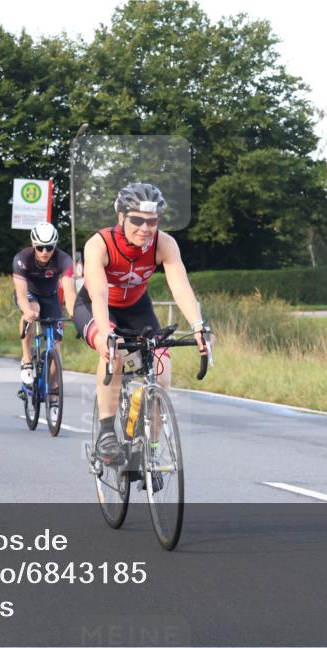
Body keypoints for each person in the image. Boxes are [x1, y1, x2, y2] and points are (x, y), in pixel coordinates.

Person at [72, 183, 210, 465]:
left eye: (152, 221)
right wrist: (106, 335)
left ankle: (148, 448)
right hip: (97, 307)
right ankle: (107, 433)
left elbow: (180, 286)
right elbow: (97, 293)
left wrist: (198, 325)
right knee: (115, 352)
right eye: (137, 220)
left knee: (162, 371)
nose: (145, 228)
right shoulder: (99, 244)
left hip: (137, 308)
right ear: (121, 217)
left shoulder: (164, 244)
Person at [13, 222, 76, 385]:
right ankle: (27, 360)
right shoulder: (22, 259)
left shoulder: (64, 259)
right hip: (29, 294)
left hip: (51, 297)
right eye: (40, 247)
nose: (45, 252)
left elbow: (69, 293)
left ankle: (53, 398)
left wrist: (74, 314)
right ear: (33, 245)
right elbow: (20, 293)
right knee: (33, 310)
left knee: (55, 349)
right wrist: (26, 311)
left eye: (49, 247)